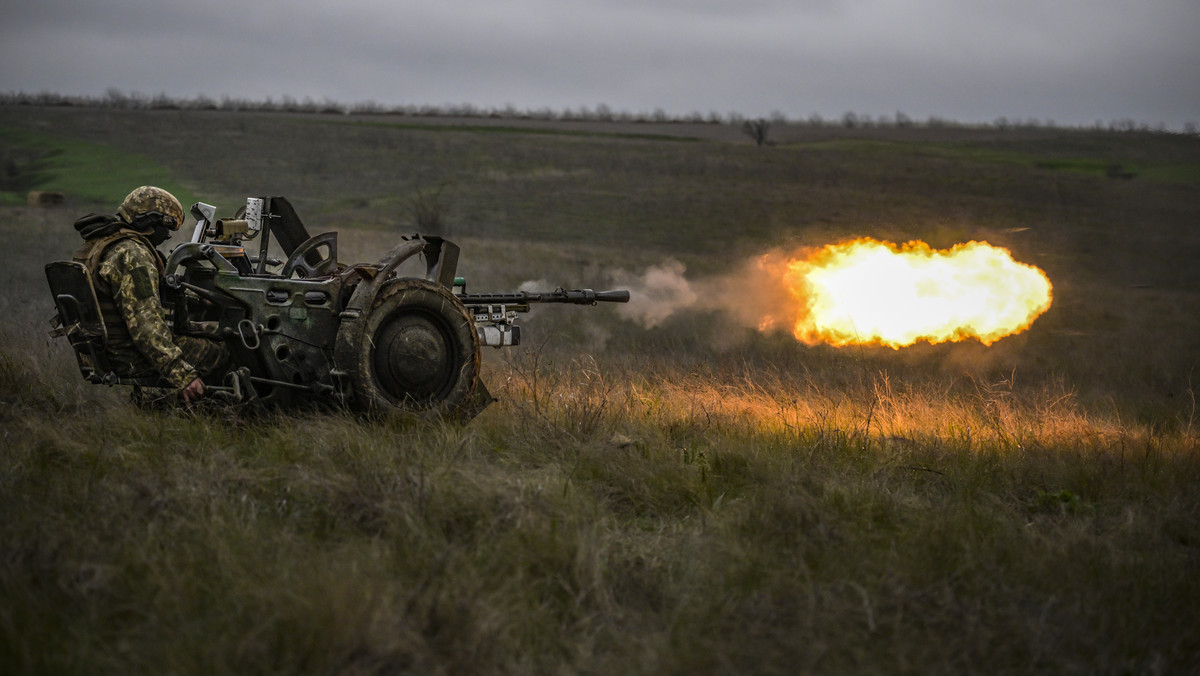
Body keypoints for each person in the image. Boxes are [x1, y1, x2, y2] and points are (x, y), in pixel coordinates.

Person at [72, 186, 230, 404]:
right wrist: (182, 375)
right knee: (228, 350)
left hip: (114, 348)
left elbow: (144, 297)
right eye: (166, 226)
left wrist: (198, 301)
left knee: (223, 331)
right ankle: (219, 411)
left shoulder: (105, 245)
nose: (168, 235)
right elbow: (146, 324)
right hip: (131, 354)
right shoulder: (133, 254)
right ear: (149, 221)